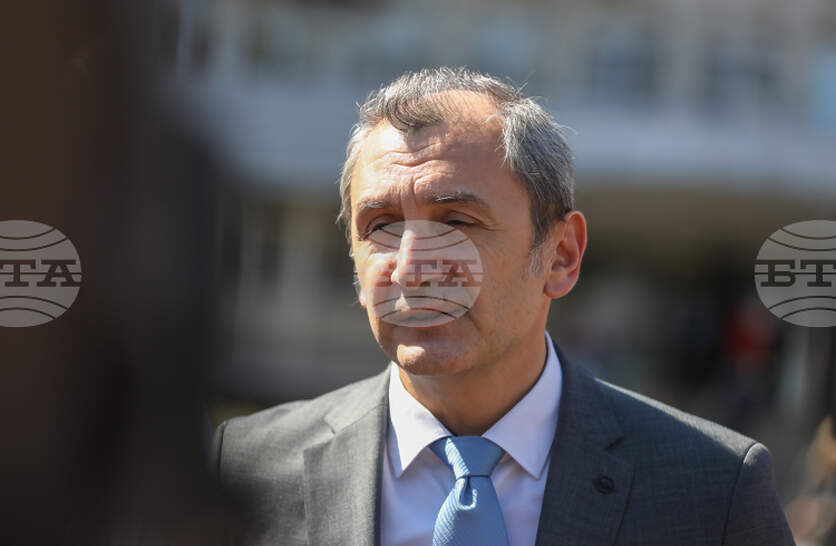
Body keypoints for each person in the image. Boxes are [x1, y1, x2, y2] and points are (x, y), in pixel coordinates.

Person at [212, 67, 794, 545]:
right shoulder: (243, 467)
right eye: (381, 226)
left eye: (457, 222)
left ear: (561, 255)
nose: (411, 267)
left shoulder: (713, 489)